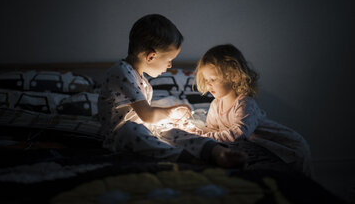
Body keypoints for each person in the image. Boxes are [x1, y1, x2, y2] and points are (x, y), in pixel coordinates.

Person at [97, 14, 246, 168]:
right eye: (169, 60)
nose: (169, 66)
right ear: (151, 56)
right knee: (132, 130)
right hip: (119, 136)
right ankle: (188, 159)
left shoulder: (141, 80)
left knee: (171, 130)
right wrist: (170, 111)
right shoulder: (121, 72)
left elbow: (147, 118)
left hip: (144, 128)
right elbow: (147, 114)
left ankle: (217, 151)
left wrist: (169, 120)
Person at [191, 44, 312, 176]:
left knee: (300, 185)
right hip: (260, 147)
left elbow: (237, 134)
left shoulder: (245, 103)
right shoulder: (215, 105)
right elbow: (213, 130)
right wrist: (195, 131)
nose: (208, 84)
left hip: (286, 147)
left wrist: (203, 135)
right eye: (206, 80)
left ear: (233, 75)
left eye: (213, 79)